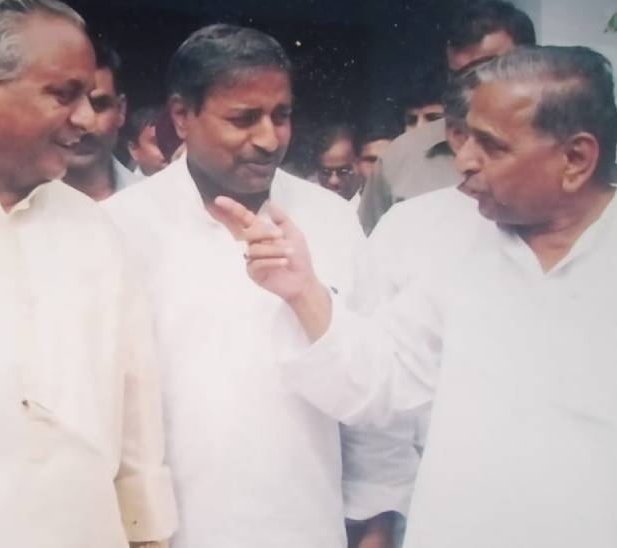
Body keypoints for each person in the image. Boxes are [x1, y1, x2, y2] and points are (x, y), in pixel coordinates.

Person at [216, 45, 617, 548]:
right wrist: (303, 292)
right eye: (464, 138)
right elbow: (379, 380)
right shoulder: (455, 243)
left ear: (576, 158)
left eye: (491, 146)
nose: (464, 162)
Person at [107, 23, 413, 548]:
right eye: (243, 119)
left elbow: (372, 387)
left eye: (282, 115)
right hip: (171, 532)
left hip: (305, 523)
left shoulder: (330, 219)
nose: (269, 138)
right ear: (182, 117)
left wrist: (377, 520)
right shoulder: (120, 228)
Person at [0, 2, 177, 547]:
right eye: (62, 95)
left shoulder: (96, 231)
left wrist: (149, 538)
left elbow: (137, 434)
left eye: (90, 99)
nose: (87, 120)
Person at [358, 0, 536, 234]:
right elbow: (367, 252)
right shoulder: (403, 156)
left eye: (489, 69)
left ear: (533, 62)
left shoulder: (556, 148)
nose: (474, 85)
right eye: (460, 75)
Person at [63, 39, 137, 200]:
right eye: (67, 103)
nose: (84, 120)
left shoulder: (156, 204)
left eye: (98, 105)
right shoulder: (6, 208)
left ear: (121, 110)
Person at [313, 124, 363, 202]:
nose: (333, 181)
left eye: (343, 172)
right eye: (325, 173)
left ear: (359, 165)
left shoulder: (373, 204)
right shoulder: (306, 198)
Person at [125, 104, 168, 179]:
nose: (168, 149)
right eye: (158, 143)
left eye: (172, 140)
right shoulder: (127, 189)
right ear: (134, 149)